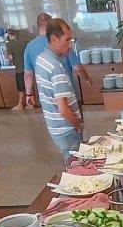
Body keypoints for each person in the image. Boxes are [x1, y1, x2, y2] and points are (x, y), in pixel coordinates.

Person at [34, 18, 83, 158]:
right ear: (54, 39)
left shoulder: (41, 59)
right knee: (76, 165)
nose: (70, 45)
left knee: (70, 162)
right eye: (67, 40)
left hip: (55, 127)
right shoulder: (56, 68)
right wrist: (78, 125)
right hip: (67, 129)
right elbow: (63, 109)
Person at [23, 12, 51, 109]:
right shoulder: (58, 42)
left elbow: (28, 75)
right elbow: (76, 67)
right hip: (66, 90)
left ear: (38, 26)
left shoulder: (30, 47)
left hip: (45, 94)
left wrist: (28, 94)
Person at [5, 26, 31, 111]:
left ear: (8, 35)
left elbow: (10, 57)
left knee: (21, 88)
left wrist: (6, 55)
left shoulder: (9, 44)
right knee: (29, 86)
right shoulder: (23, 42)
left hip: (19, 68)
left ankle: (20, 105)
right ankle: (30, 104)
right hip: (28, 67)